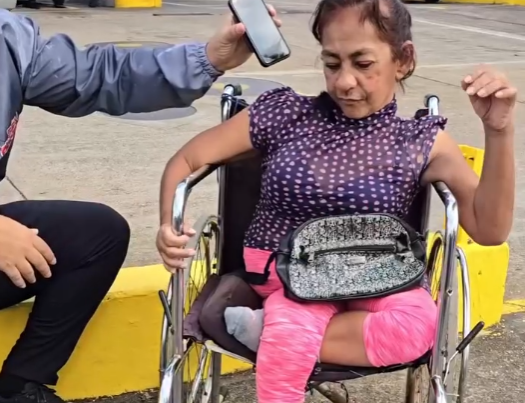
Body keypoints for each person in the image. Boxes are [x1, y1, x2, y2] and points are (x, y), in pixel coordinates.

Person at [156, 0, 516, 401]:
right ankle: (285, 333)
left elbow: (489, 230)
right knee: (296, 320)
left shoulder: (419, 141)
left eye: (363, 64)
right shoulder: (284, 114)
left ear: (403, 60)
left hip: (374, 275)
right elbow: (187, 160)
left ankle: (265, 332)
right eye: (332, 63)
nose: (344, 82)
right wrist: (168, 226)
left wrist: (498, 130)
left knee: (420, 325)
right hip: (289, 277)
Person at [0, 7, 281, 403]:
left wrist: (207, 59)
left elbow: (99, 75)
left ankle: (19, 388)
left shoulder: (8, 38)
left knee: (98, 234)